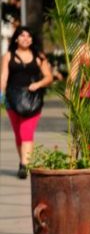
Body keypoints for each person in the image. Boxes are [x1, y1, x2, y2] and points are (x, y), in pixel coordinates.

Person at [0, 26, 54, 179]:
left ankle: (24, 165)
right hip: (12, 100)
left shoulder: (39, 56)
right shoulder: (8, 56)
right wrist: (1, 95)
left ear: (32, 40)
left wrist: (37, 85)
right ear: (16, 38)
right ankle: (23, 161)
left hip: (33, 100)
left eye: (28, 36)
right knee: (18, 135)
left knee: (26, 132)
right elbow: (4, 76)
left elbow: (49, 77)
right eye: (22, 35)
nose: (25, 38)